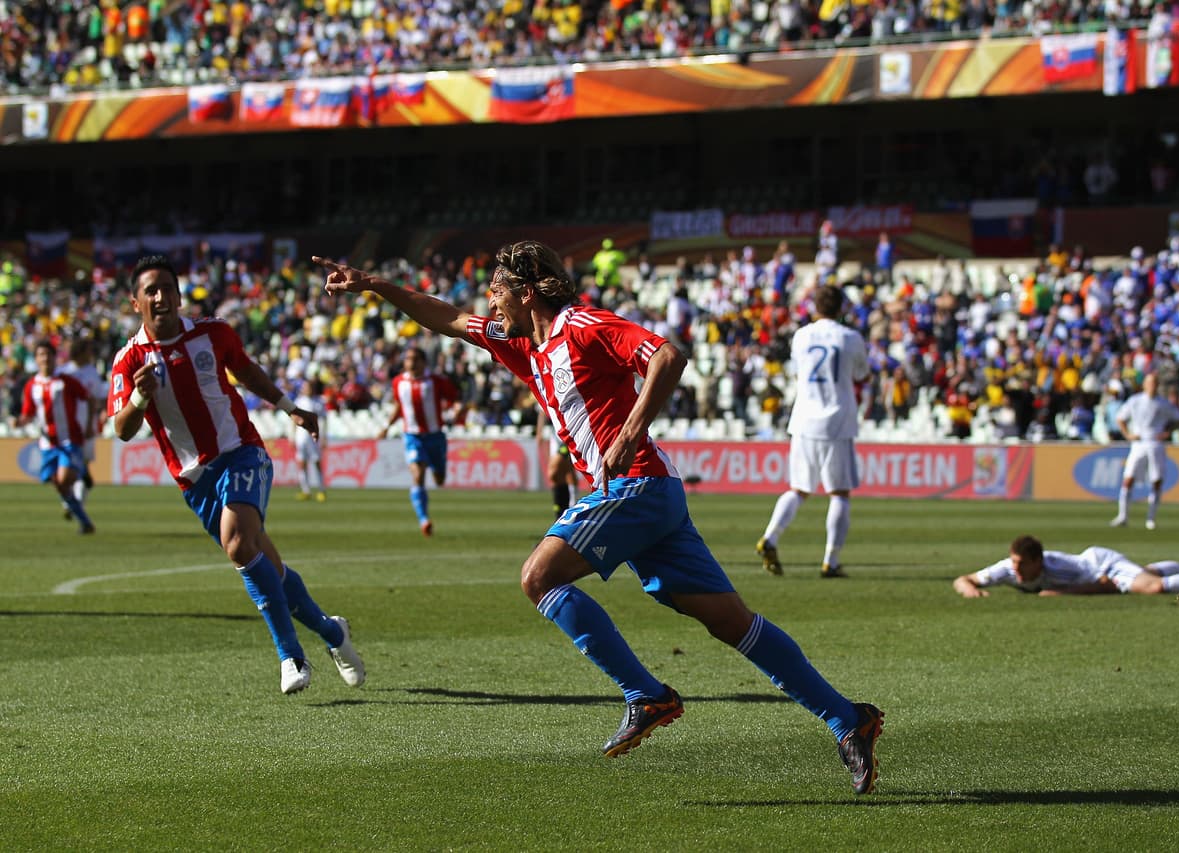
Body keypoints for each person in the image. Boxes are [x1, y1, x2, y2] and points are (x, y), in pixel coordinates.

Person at [315, 241, 884, 797]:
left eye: (496, 291)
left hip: (636, 483)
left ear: (527, 289)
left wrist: (630, 431)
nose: (488, 303)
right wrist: (373, 286)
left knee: (539, 577)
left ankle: (646, 695)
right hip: (651, 496)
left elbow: (667, 356)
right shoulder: (521, 344)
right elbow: (443, 317)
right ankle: (846, 719)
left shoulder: (583, 326)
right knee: (732, 622)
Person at [110, 255, 365, 695]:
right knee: (268, 565)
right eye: (149, 291)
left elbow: (245, 371)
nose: (159, 297)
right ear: (136, 303)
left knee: (237, 542)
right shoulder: (129, 361)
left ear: (179, 295)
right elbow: (122, 428)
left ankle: (290, 656)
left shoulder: (213, 333)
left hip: (241, 453)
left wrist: (291, 409)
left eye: (166, 288)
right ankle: (332, 633)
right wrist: (138, 398)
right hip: (196, 480)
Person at [756, 285, 870, 579]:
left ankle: (770, 537)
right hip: (837, 419)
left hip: (804, 419)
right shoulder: (851, 337)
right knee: (839, 493)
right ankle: (830, 560)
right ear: (841, 308)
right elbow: (862, 375)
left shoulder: (801, 335)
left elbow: (798, 371)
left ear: (815, 307)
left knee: (798, 489)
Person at [953, 535, 1179, 597]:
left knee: (1152, 586)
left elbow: (1103, 583)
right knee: (1151, 573)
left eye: (1022, 564)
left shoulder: (1060, 569)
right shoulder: (1007, 569)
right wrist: (970, 591)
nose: (1016, 570)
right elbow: (963, 579)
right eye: (1014, 563)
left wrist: (1065, 594)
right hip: (1096, 565)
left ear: (1039, 562)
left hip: (1103, 566)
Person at [12, 340, 95, 534]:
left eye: (48, 354)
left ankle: (80, 471)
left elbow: (88, 397)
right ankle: (85, 523)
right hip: (48, 443)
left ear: (54, 357)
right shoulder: (32, 385)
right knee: (58, 484)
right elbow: (28, 413)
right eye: (41, 355)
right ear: (36, 359)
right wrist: (19, 422)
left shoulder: (65, 381)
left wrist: (90, 424)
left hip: (70, 439)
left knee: (64, 478)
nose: (45, 358)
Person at [378, 346, 459, 536]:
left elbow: (454, 398)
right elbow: (399, 406)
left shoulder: (436, 381)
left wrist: (457, 411)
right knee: (417, 475)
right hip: (412, 436)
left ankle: (437, 471)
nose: (411, 363)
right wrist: (386, 426)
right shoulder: (398, 382)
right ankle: (424, 519)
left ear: (423, 362)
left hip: (435, 436)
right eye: (408, 359)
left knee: (439, 479)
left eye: (415, 359)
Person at [1111, 372, 1179, 530]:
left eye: (1155, 383)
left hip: (1155, 443)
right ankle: (1122, 515)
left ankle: (1151, 518)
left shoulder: (1163, 403)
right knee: (1128, 478)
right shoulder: (1135, 401)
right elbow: (1120, 418)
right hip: (1138, 444)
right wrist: (1128, 434)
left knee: (1156, 480)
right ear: (1144, 384)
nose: (1152, 386)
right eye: (1150, 383)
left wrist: (1167, 432)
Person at [57, 337, 109, 510]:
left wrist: (99, 416)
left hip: (86, 426)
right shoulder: (63, 372)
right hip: (66, 428)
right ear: (79, 352)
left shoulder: (91, 372)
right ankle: (74, 501)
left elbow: (98, 398)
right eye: (88, 350)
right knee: (71, 466)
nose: (91, 354)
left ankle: (74, 502)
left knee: (82, 464)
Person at [294, 378, 327, 502]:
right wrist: (292, 436)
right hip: (300, 436)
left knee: (316, 462)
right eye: (305, 387)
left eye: (308, 387)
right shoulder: (299, 401)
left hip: (313, 436)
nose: (306, 389)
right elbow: (294, 420)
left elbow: (324, 420)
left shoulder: (319, 402)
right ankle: (306, 490)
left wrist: (323, 437)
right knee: (302, 463)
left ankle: (321, 489)